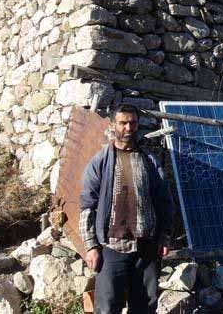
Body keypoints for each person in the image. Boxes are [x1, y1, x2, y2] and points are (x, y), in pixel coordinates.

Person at [79, 104, 174, 314]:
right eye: (123, 123)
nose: (128, 128)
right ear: (113, 126)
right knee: (107, 306)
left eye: (133, 123)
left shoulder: (149, 161)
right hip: (113, 248)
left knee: (145, 305)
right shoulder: (100, 162)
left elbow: (164, 200)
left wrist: (165, 236)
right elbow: (87, 204)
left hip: (146, 247)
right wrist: (91, 246)